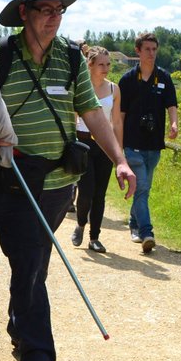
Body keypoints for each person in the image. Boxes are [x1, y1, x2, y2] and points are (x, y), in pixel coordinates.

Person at [0, 0, 134, 361]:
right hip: (12, 180)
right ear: (24, 13)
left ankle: (18, 322)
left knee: (32, 261)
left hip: (59, 183)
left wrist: (121, 160)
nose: (54, 18)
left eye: (60, 10)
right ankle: (37, 358)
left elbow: (92, 114)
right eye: (45, 10)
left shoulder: (73, 59)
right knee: (29, 259)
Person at [117, 31, 179, 253]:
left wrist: (174, 124)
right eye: (147, 49)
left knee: (144, 189)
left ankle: (133, 223)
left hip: (154, 145)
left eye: (154, 49)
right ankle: (146, 232)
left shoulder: (163, 78)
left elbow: (172, 104)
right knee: (141, 188)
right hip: (132, 145)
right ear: (138, 51)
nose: (151, 54)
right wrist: (119, 148)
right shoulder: (126, 80)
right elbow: (120, 116)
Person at [70, 45, 122, 253]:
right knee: (86, 190)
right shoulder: (80, 87)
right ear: (90, 65)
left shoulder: (114, 89)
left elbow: (116, 122)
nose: (106, 68)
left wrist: (119, 152)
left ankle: (95, 237)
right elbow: (72, 118)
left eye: (108, 64)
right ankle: (81, 223)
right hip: (83, 142)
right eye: (101, 64)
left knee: (100, 193)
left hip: (105, 143)